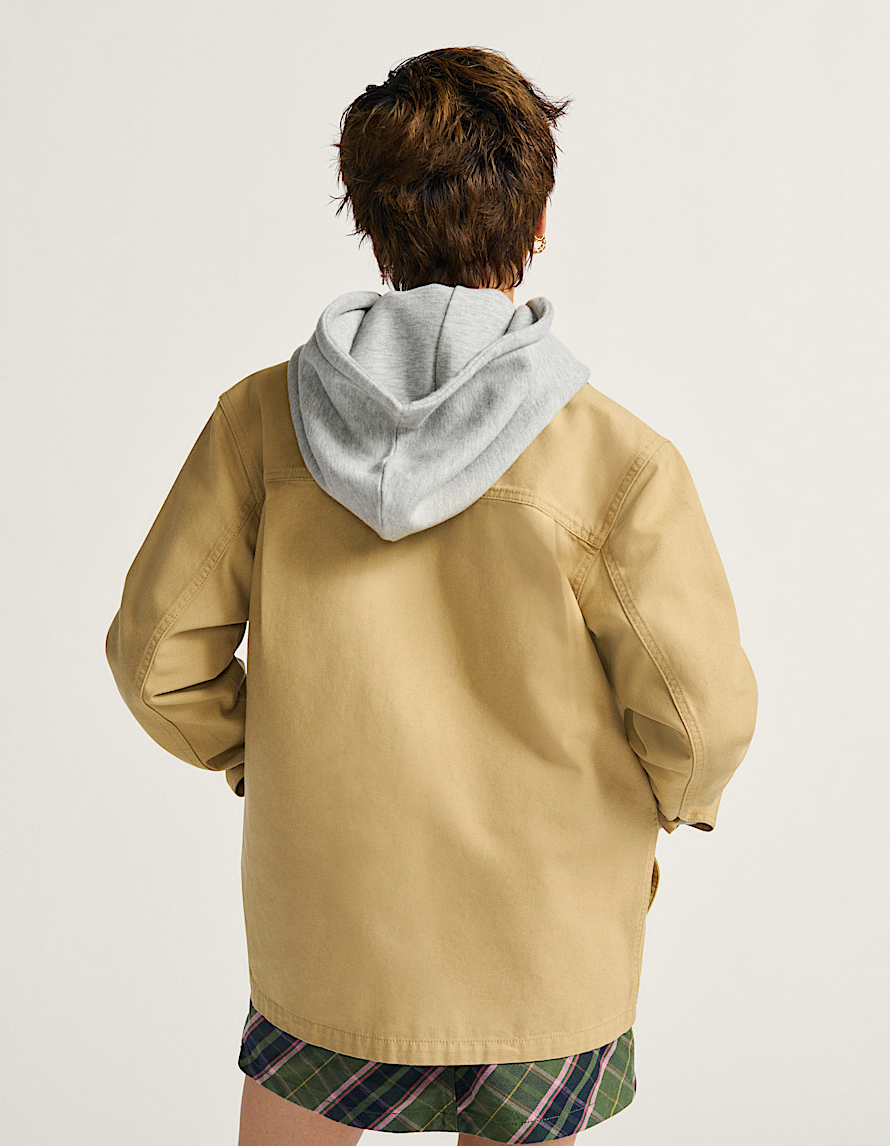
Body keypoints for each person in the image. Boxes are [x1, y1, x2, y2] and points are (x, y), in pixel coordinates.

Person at [105, 45, 758, 1145]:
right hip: (543, 937)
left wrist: (268, 753)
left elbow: (154, 659)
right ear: (536, 221)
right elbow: (703, 722)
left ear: (370, 224)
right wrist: (652, 804)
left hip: (328, 927)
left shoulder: (259, 425)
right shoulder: (618, 459)